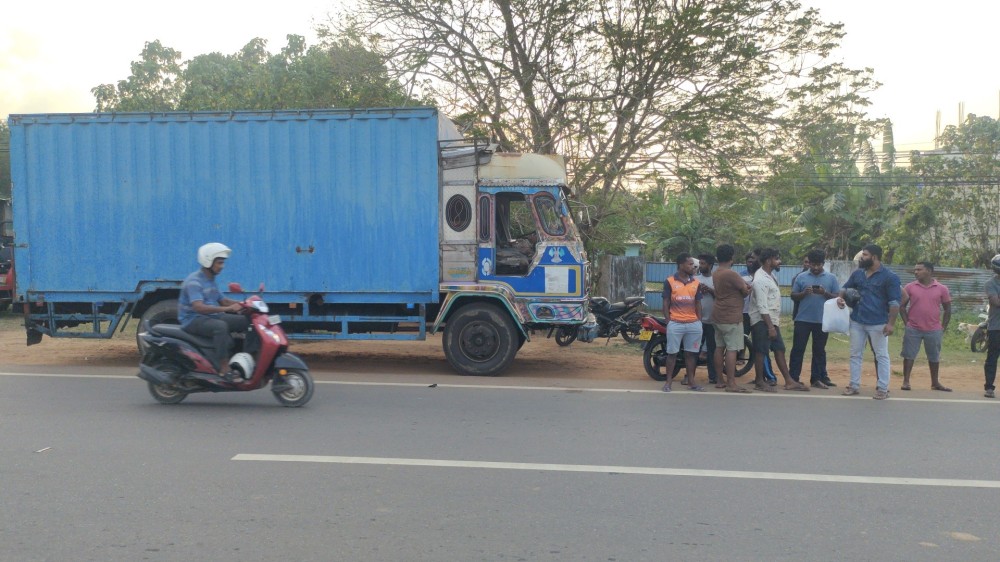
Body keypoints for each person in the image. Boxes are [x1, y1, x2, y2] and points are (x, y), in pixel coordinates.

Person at [837, 244, 901, 400]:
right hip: (857, 320)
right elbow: (845, 287)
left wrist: (891, 323)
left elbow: (895, 303)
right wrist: (840, 297)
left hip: (878, 322)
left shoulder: (889, 277)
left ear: (874, 257)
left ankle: (883, 388)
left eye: (865, 255)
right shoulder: (858, 274)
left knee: (881, 355)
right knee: (855, 354)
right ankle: (854, 385)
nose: (861, 257)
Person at [179, 242, 250, 380]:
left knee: (245, 321)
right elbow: (198, 307)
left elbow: (223, 300)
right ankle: (223, 368)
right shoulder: (194, 281)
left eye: (223, 263)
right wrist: (228, 309)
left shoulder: (210, 280)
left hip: (210, 316)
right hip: (193, 319)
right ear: (208, 261)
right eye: (219, 263)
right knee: (220, 327)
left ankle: (247, 357)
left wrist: (246, 304)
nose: (222, 266)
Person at [749, 248, 808, 392]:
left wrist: (772, 325)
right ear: (768, 261)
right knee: (761, 350)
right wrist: (770, 327)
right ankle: (759, 381)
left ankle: (789, 381)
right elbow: (762, 306)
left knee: (779, 348)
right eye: (777, 259)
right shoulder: (760, 279)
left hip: (771, 320)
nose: (779, 261)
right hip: (762, 321)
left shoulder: (770, 276)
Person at [789, 249, 840, 389]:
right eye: (813, 264)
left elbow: (837, 297)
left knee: (819, 351)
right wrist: (804, 293)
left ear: (823, 263)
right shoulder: (801, 277)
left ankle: (816, 379)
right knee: (798, 349)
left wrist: (825, 293)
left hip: (822, 321)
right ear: (809, 263)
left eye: (819, 265)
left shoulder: (831, 278)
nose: (816, 268)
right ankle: (793, 378)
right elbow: (793, 296)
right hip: (802, 320)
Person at [899, 261, 952, 392]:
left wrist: (943, 327)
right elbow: (901, 306)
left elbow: (948, 309)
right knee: (909, 355)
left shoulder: (942, 288)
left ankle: (935, 383)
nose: (916, 272)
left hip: (934, 329)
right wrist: (907, 323)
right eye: (915, 269)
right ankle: (906, 381)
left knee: (934, 356)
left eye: (919, 269)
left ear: (929, 271)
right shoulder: (910, 287)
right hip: (913, 328)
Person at [710, 244, 752, 393]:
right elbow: (745, 291)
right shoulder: (731, 274)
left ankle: (719, 380)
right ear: (731, 257)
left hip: (718, 314)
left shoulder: (716, 272)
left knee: (719, 347)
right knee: (732, 349)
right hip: (731, 316)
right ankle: (731, 383)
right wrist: (748, 289)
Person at [660, 253, 704, 392]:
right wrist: (669, 321)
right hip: (676, 323)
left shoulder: (696, 282)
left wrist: (699, 321)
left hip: (693, 324)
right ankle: (668, 383)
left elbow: (698, 303)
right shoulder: (670, 281)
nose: (693, 267)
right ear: (681, 265)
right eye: (690, 264)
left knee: (691, 354)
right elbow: (666, 302)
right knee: (672, 354)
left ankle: (691, 382)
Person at [743, 249, 777, 384]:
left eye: (754, 258)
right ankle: (760, 378)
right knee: (757, 347)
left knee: (762, 349)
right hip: (747, 314)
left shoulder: (767, 276)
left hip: (762, 317)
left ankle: (769, 377)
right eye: (750, 259)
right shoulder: (743, 275)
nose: (752, 261)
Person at [694, 254, 719, 384]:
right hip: (697, 319)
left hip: (712, 320)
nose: (700, 266)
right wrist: (698, 290)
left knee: (712, 349)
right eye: (700, 263)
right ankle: (689, 375)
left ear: (710, 265)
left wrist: (709, 290)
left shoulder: (716, 279)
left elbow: (720, 296)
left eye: (703, 263)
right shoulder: (695, 279)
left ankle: (713, 376)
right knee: (693, 349)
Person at [982, 254, 1000, 398]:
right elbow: (996, 302)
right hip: (996, 327)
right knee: (992, 358)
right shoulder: (991, 283)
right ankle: (989, 387)